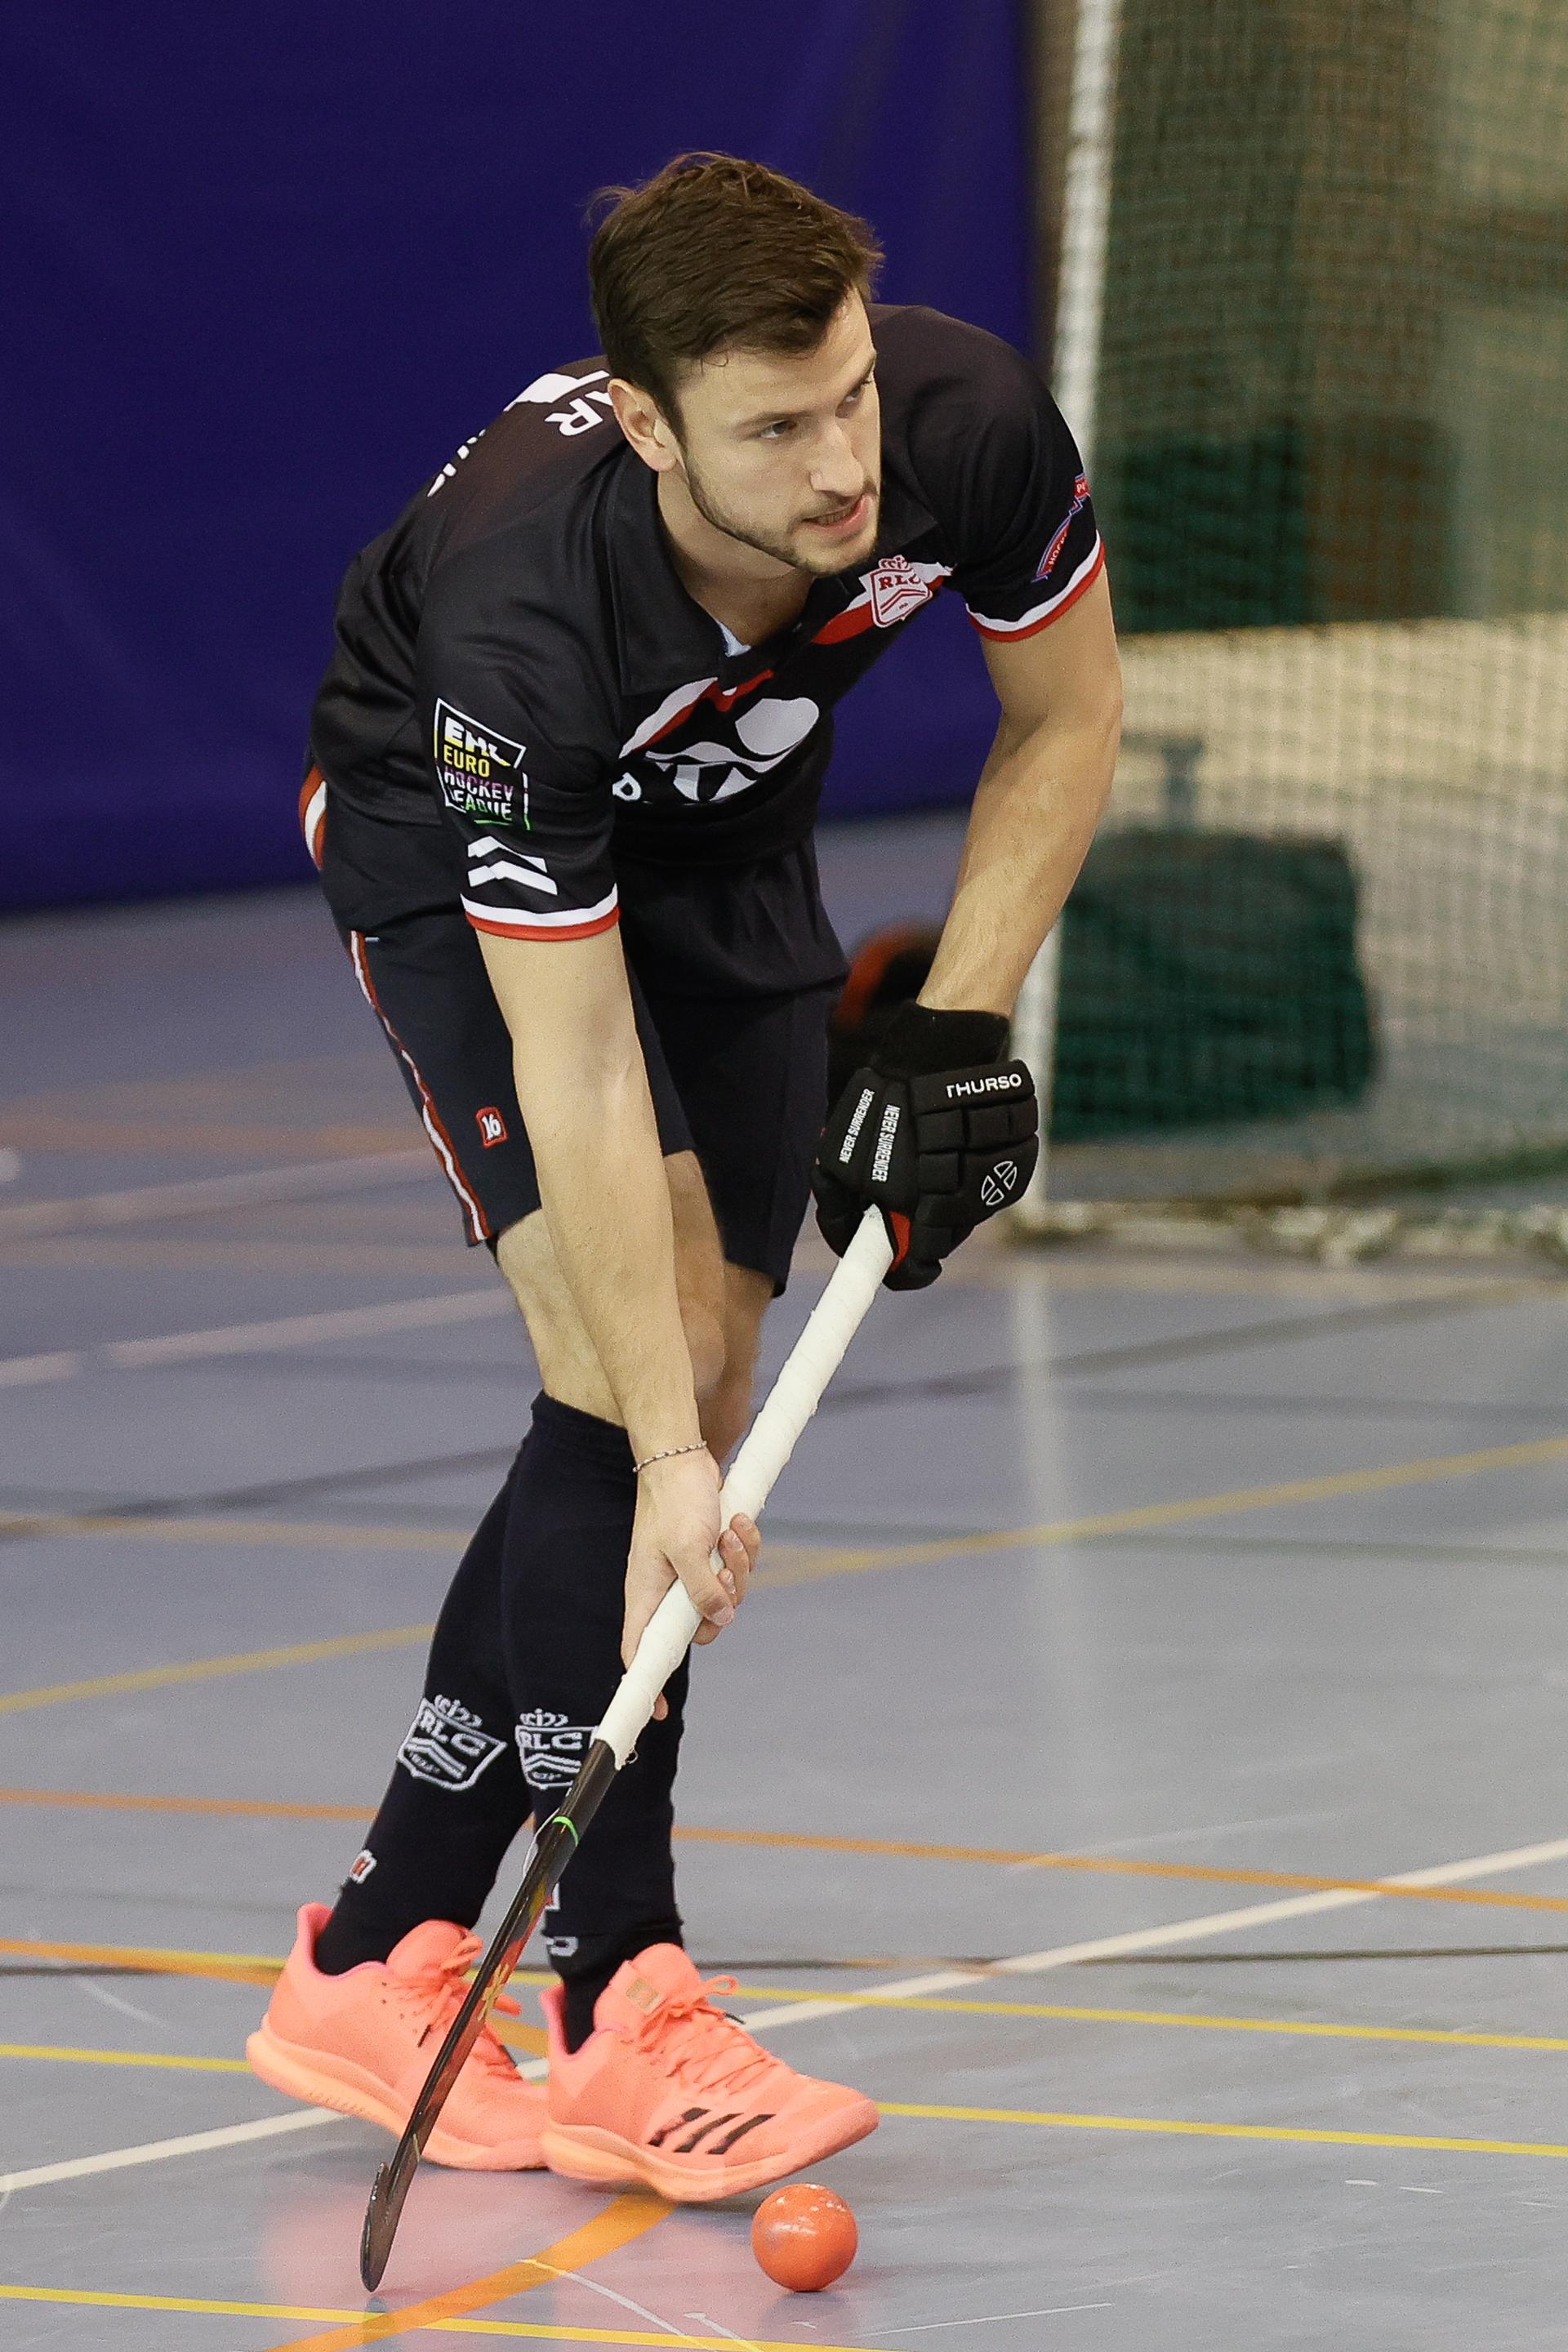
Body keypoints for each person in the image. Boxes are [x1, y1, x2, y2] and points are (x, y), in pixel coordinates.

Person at [247, 150, 1120, 2203]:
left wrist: (953, 1031)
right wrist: (661, 1451)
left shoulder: (967, 424)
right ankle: (620, 1994)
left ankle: (375, 1953)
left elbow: (1067, 718)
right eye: (774, 430)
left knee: (700, 1373)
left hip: (723, 842)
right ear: (644, 425)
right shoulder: (517, 613)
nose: (842, 469)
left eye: (848, 399)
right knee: (623, 1384)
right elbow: (568, 1052)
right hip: (466, 874)